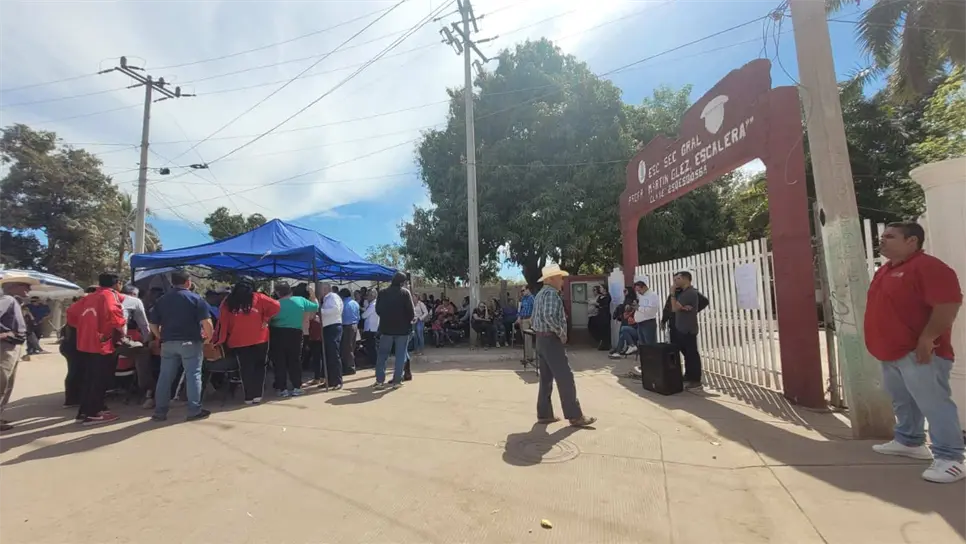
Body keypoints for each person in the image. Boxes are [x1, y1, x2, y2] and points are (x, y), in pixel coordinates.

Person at [865, 222, 964, 484]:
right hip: (891, 352)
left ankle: (951, 458)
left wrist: (928, 338)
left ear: (912, 241)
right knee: (903, 401)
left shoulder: (929, 267)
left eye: (890, 236)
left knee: (934, 403)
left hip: (921, 352)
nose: (883, 240)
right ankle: (909, 441)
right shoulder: (886, 270)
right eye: (882, 236)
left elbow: (948, 304)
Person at [530, 265, 596, 428]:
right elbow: (549, 316)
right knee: (565, 377)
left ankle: (544, 413)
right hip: (551, 340)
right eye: (559, 277)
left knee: (546, 378)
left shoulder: (539, 295)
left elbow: (533, 318)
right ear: (550, 279)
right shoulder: (552, 294)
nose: (562, 280)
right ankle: (575, 415)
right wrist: (561, 333)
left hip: (541, 339)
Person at [149, 270, 214, 421]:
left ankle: (160, 412)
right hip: (190, 342)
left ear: (173, 282)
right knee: (193, 375)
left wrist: (160, 336)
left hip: (168, 343)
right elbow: (207, 323)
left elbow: (152, 323)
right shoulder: (196, 299)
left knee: (165, 377)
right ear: (188, 282)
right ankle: (194, 410)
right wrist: (208, 338)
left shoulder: (162, 299)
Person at [67, 273, 128, 425]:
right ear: (117, 283)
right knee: (100, 379)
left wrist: (85, 327)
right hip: (102, 343)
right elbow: (114, 314)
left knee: (89, 377)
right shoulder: (110, 295)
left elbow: (71, 314)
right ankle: (93, 413)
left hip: (85, 342)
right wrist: (121, 331)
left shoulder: (89, 296)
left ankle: (85, 411)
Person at [216, 281, 280, 404]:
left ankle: (248, 396)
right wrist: (266, 318)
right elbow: (276, 305)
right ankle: (257, 395)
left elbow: (223, 320)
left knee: (245, 368)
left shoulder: (228, 302)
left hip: (238, 339)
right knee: (260, 366)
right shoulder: (259, 297)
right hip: (260, 338)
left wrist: (224, 335)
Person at [270, 283, 318, 397]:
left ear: (277, 293)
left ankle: (282, 389)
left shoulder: (275, 304)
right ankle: (297, 387)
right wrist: (312, 293)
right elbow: (316, 306)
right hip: (296, 333)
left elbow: (269, 319)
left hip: (278, 333)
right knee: (295, 361)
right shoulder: (300, 300)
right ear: (290, 291)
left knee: (280, 362)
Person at [0, 275, 33, 432]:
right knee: (2, 382)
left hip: (13, 346)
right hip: (5, 347)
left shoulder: (14, 301)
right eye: (25, 285)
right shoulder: (7, 299)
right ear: (12, 286)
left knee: (7, 384)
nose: (29, 289)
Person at [373, 272, 415, 390]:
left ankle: (380, 381)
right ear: (402, 282)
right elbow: (411, 312)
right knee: (400, 355)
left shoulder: (382, 293)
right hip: (402, 330)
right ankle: (397, 381)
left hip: (386, 329)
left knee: (382, 355)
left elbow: (378, 310)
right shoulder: (405, 293)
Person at [119, 284, 153, 407]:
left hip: (100, 343)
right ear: (133, 294)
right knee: (144, 352)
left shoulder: (109, 300)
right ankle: (147, 391)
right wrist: (147, 340)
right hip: (120, 342)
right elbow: (144, 326)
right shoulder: (135, 301)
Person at [672, 271, 703, 389]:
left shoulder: (689, 293)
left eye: (678, 279)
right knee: (686, 353)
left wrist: (672, 294)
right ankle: (689, 375)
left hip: (688, 328)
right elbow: (677, 307)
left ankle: (695, 379)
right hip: (681, 327)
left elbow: (674, 307)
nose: (675, 282)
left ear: (685, 279)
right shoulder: (683, 293)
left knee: (691, 354)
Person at [321, 285, 344, 390]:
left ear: (326, 289)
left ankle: (337, 381)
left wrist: (320, 311)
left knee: (334, 354)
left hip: (333, 327)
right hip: (328, 327)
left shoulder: (332, 296)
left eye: (321, 289)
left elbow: (336, 310)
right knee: (328, 355)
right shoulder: (327, 299)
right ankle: (330, 380)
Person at [610, 293, 640, 359]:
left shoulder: (638, 311)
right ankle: (618, 352)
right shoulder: (629, 312)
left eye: (634, 305)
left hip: (638, 330)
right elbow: (624, 318)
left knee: (623, 328)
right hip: (631, 330)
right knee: (623, 333)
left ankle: (631, 346)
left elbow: (636, 322)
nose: (633, 306)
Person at [634, 279, 660, 347]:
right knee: (643, 344)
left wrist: (638, 308)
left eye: (639, 290)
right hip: (640, 322)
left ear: (644, 287)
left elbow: (651, 310)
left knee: (649, 344)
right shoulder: (642, 296)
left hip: (648, 322)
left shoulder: (652, 295)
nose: (639, 292)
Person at [340, 287, 360, 376]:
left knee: (347, 348)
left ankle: (350, 368)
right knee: (352, 347)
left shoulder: (343, 304)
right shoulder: (355, 303)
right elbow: (358, 316)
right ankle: (351, 365)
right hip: (355, 325)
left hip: (347, 326)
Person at [589, 286, 612, 351]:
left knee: (606, 330)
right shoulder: (600, 296)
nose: (600, 289)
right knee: (600, 329)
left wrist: (598, 304)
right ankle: (601, 342)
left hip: (605, 314)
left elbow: (604, 304)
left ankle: (606, 344)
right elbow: (597, 305)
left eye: (601, 288)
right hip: (600, 314)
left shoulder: (607, 297)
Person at [361, 290, 380, 367]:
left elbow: (364, 315)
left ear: (373, 296)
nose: (367, 297)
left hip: (372, 329)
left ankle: (374, 362)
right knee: (370, 346)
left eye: (368, 295)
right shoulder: (371, 304)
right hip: (370, 328)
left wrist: (362, 313)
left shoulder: (374, 305)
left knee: (372, 347)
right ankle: (372, 361)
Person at [517, 286, 535, 362]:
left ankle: (529, 356)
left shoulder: (532, 298)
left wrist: (532, 318)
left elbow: (535, 308)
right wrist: (518, 317)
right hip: (523, 319)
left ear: (528, 290)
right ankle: (527, 356)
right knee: (525, 338)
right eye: (521, 291)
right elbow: (520, 308)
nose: (522, 292)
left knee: (528, 338)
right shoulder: (523, 299)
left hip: (529, 319)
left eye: (523, 290)